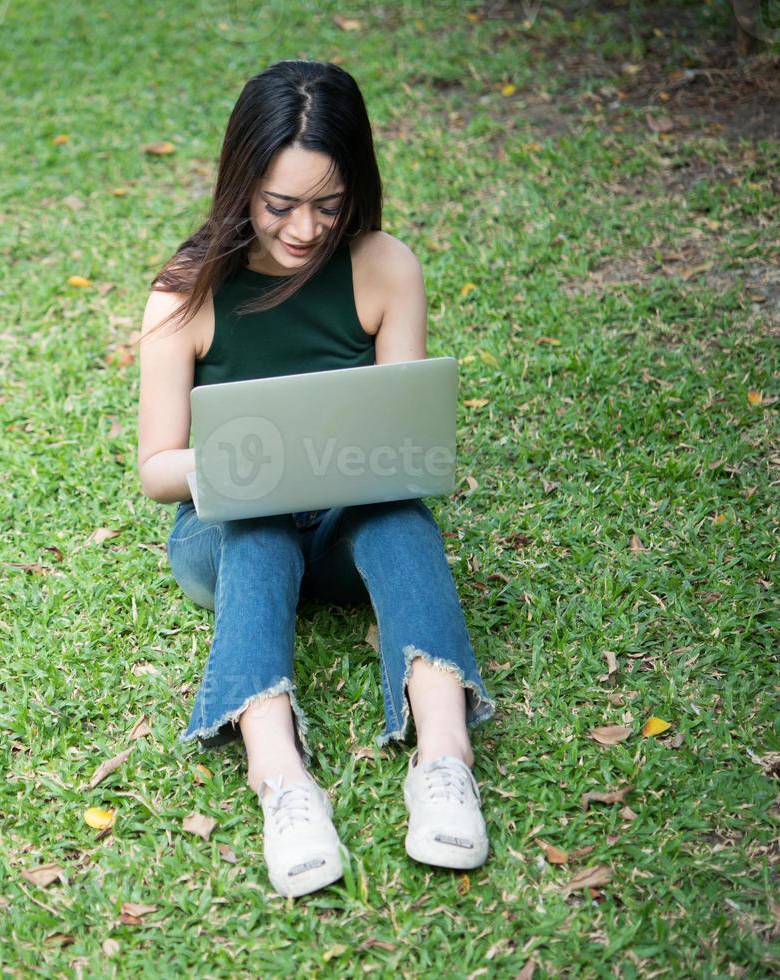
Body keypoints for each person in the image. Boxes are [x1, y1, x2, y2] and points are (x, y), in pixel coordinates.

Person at [135, 60, 496, 899]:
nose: (304, 229)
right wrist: (255, 463)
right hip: (224, 533)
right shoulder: (185, 294)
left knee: (398, 516)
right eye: (279, 205)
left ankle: (443, 757)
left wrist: (333, 464)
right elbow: (158, 469)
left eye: (328, 206)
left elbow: (398, 436)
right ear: (240, 186)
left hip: (345, 530)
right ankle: (280, 778)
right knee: (257, 527)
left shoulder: (383, 266)